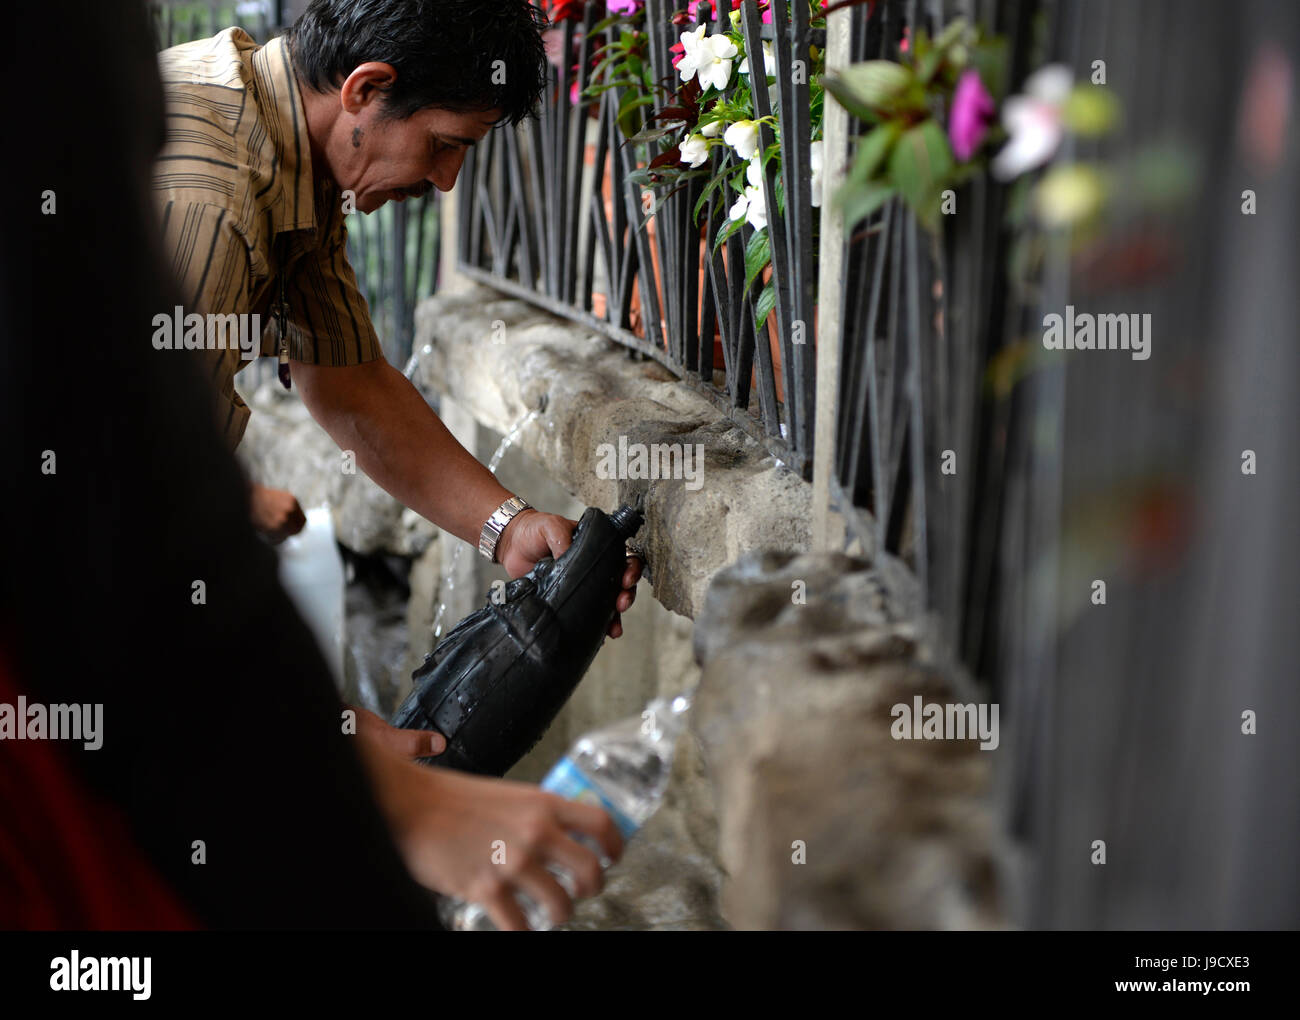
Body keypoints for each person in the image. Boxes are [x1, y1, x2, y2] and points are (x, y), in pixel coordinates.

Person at [1, 0, 621, 932]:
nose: (449, 182)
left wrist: (506, 526)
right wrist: (345, 755)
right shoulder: (207, 202)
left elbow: (351, 384)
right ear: (367, 91)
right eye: (446, 144)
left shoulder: (286, 140)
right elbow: (134, 556)